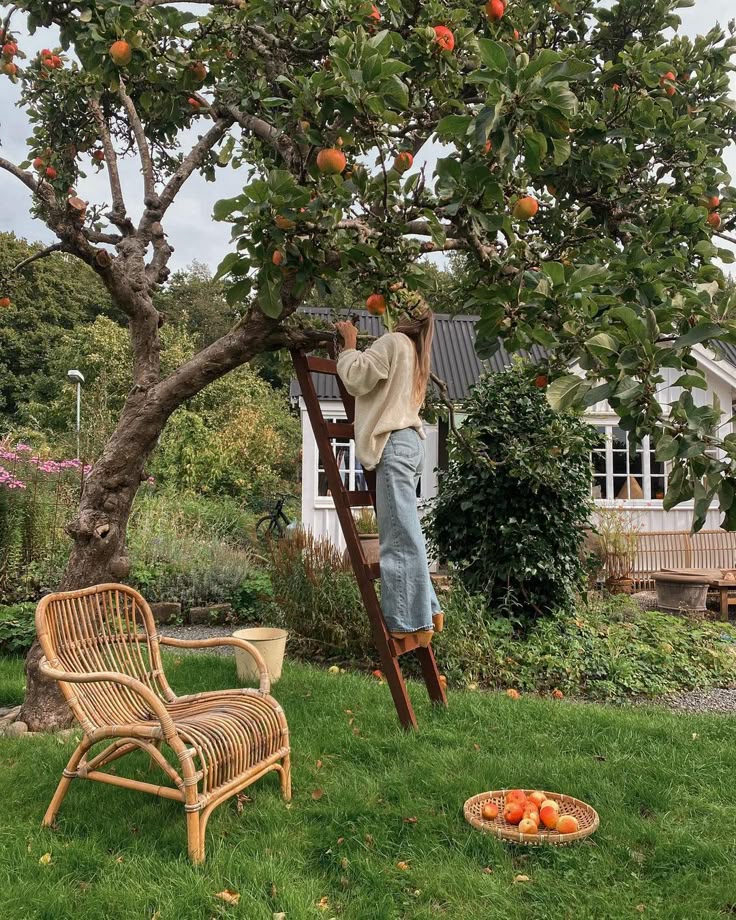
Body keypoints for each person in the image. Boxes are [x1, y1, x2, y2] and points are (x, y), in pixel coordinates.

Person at [335, 309, 443, 647]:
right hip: (410, 444)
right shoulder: (415, 350)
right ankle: (428, 610)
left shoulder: (394, 342)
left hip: (394, 444)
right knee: (407, 532)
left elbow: (357, 377)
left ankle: (410, 625)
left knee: (397, 539)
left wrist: (349, 346)